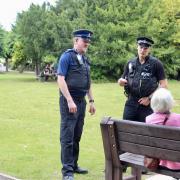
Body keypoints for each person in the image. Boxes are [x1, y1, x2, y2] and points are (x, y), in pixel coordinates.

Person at [57, 29, 96, 180]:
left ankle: (73, 165)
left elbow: (88, 82)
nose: (87, 43)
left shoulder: (85, 59)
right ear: (75, 41)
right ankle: (67, 172)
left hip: (81, 102)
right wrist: (69, 100)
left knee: (76, 135)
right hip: (69, 102)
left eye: (88, 41)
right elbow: (60, 79)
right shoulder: (67, 57)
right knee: (67, 136)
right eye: (84, 40)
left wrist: (91, 101)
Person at [118, 36, 168, 123]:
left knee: (145, 132)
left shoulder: (156, 64)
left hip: (147, 105)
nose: (143, 50)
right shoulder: (130, 63)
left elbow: (164, 85)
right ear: (137, 47)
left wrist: (149, 98)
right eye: (141, 47)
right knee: (126, 129)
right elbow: (122, 80)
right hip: (131, 103)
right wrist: (120, 82)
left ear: (149, 49)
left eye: (145, 48)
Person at [146, 88, 180, 170]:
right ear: (170, 102)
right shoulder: (177, 118)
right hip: (176, 162)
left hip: (157, 161)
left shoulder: (148, 119)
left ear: (153, 102)